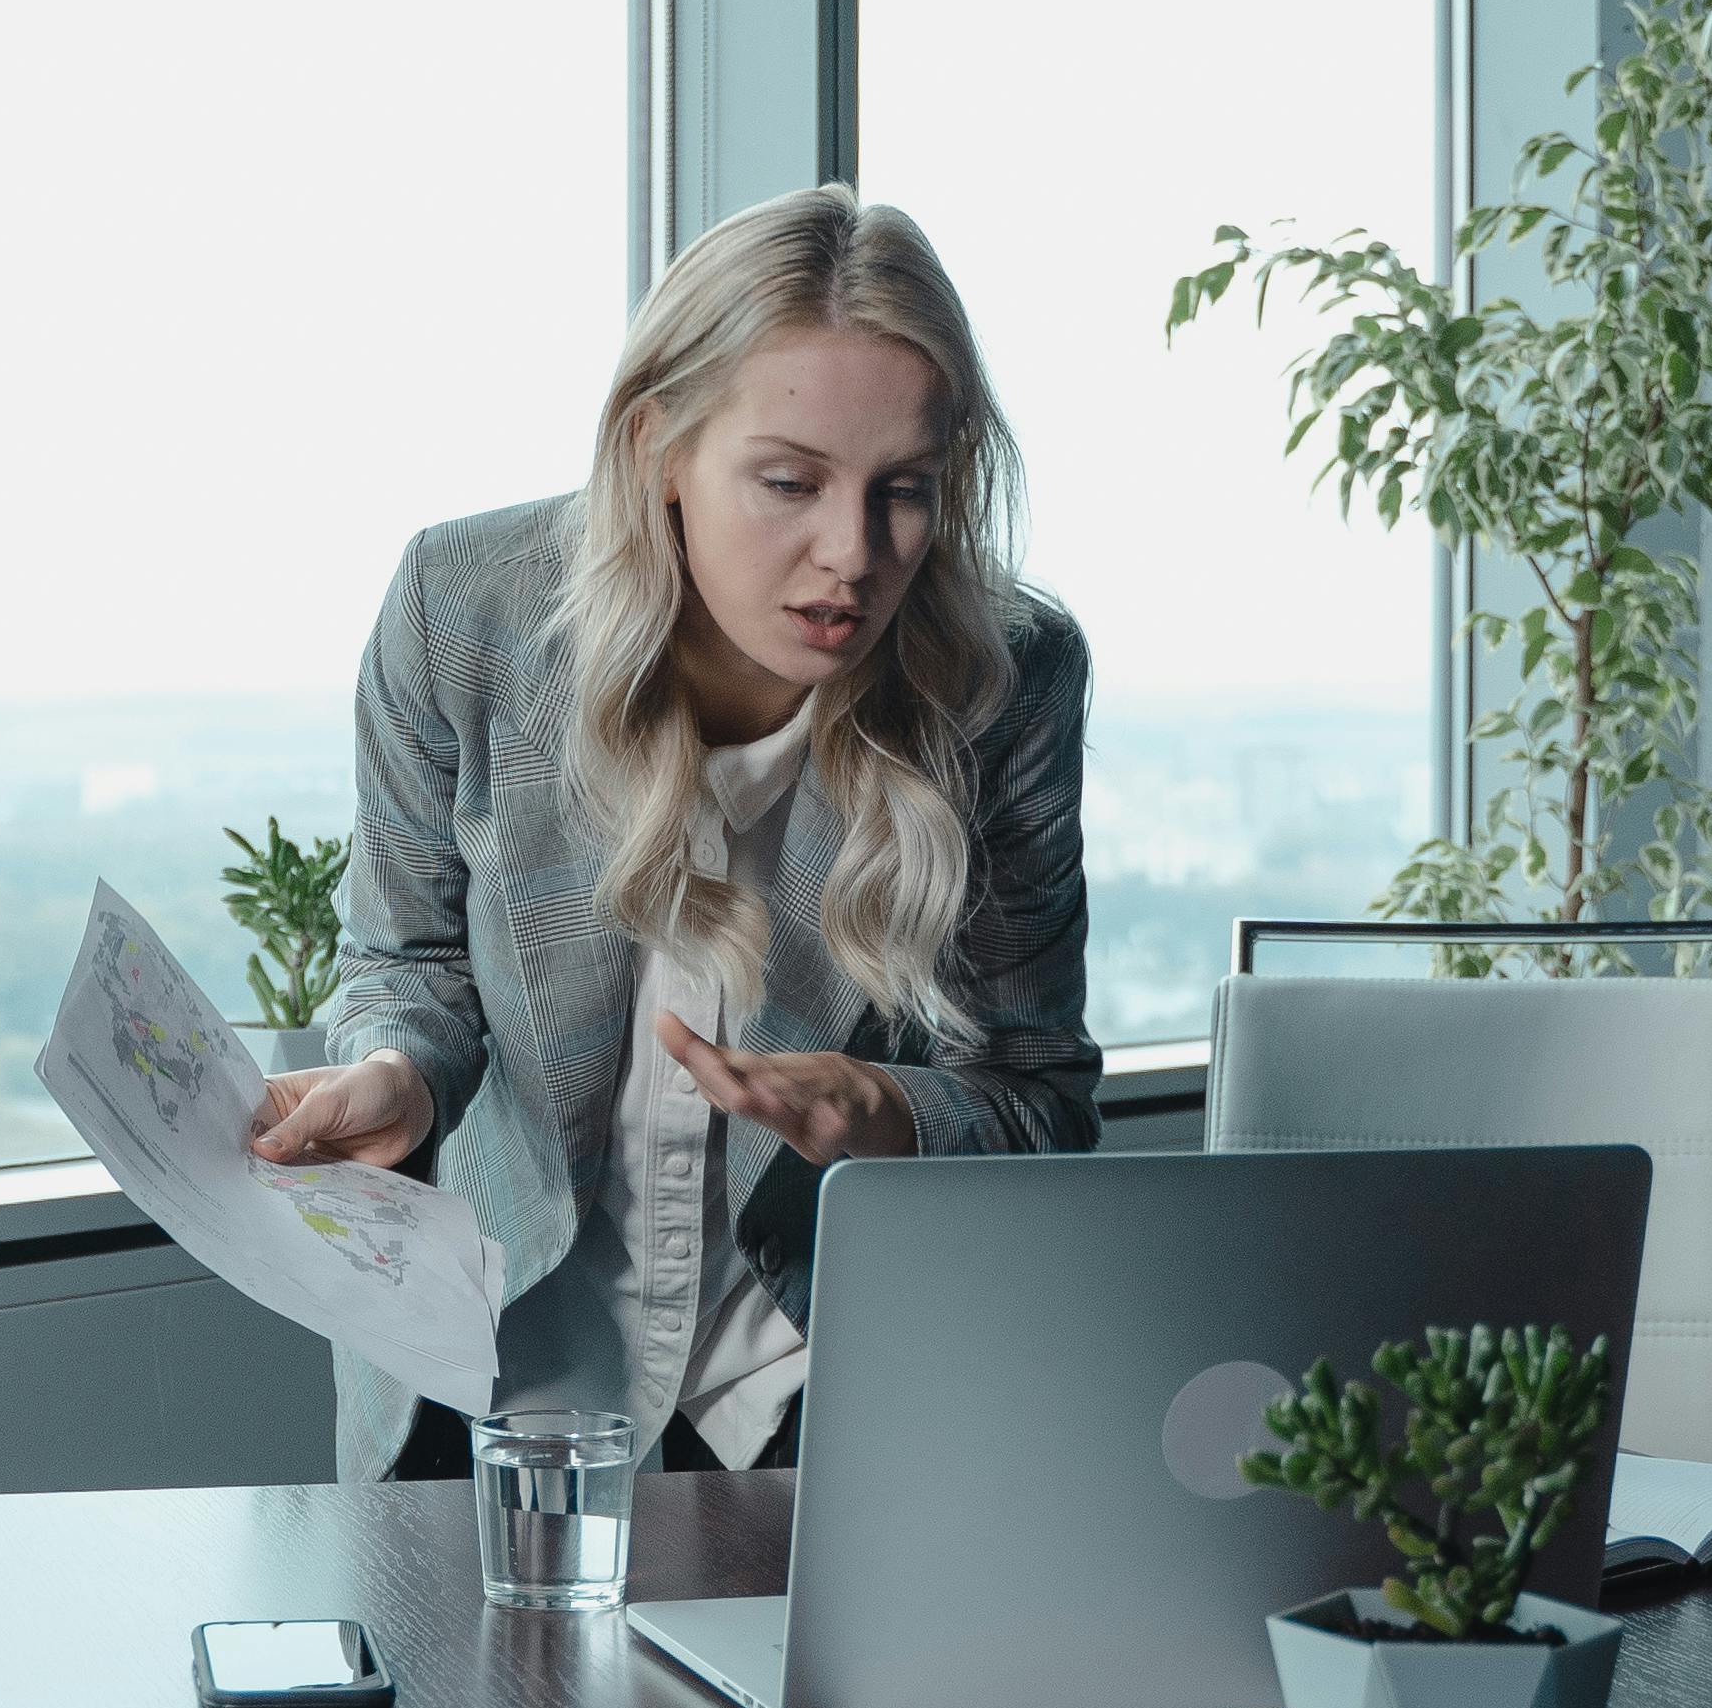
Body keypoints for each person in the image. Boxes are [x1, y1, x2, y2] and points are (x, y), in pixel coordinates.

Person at [251, 187, 1096, 1483]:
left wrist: (883, 1108)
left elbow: (1036, 1103)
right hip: (487, 1363)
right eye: (787, 482)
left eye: (904, 492)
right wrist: (395, 1076)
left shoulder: (1001, 680)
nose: (852, 554)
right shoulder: (461, 612)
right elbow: (411, 964)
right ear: (658, 446)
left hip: (813, 1388)